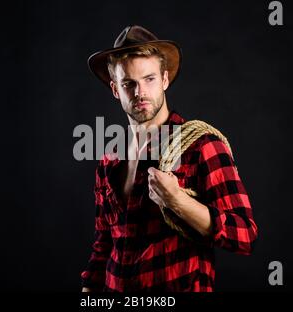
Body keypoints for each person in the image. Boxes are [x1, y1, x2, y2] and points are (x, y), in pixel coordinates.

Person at [81, 25, 258, 292]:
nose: (140, 92)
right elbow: (104, 243)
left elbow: (245, 235)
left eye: (149, 79)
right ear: (115, 89)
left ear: (164, 80)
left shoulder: (200, 146)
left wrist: (177, 201)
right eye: (129, 83)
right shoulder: (109, 160)